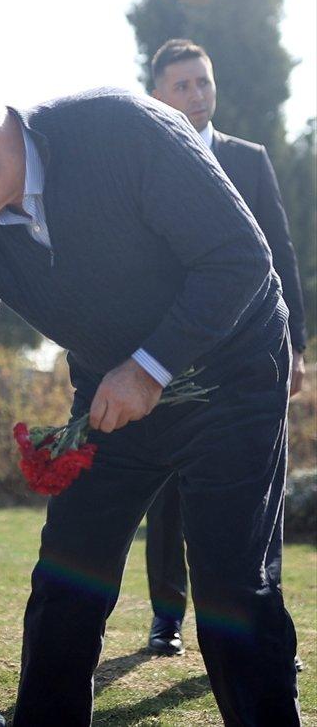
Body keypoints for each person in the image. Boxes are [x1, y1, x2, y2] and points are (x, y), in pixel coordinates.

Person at [0, 74, 300, 726]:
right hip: (110, 400)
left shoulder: (120, 129)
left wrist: (149, 368)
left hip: (230, 379)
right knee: (64, 591)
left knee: (232, 595)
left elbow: (241, 259)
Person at [144, 38, 309, 658]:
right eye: (182, 85)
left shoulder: (250, 159)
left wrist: (295, 345)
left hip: (252, 352)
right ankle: (167, 618)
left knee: (260, 491)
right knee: (169, 491)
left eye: (203, 82)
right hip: (171, 352)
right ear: (158, 93)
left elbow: (280, 254)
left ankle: (262, 623)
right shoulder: (147, 162)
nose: (196, 95)